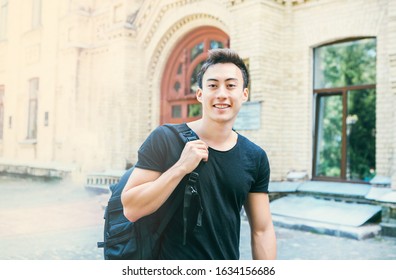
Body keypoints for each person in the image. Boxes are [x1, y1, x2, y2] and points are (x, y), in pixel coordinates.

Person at [121, 48, 277, 260]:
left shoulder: (255, 157)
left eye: (231, 85)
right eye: (213, 85)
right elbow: (131, 208)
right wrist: (180, 168)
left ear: (244, 94)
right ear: (200, 94)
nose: (222, 93)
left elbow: (262, 230)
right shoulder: (165, 139)